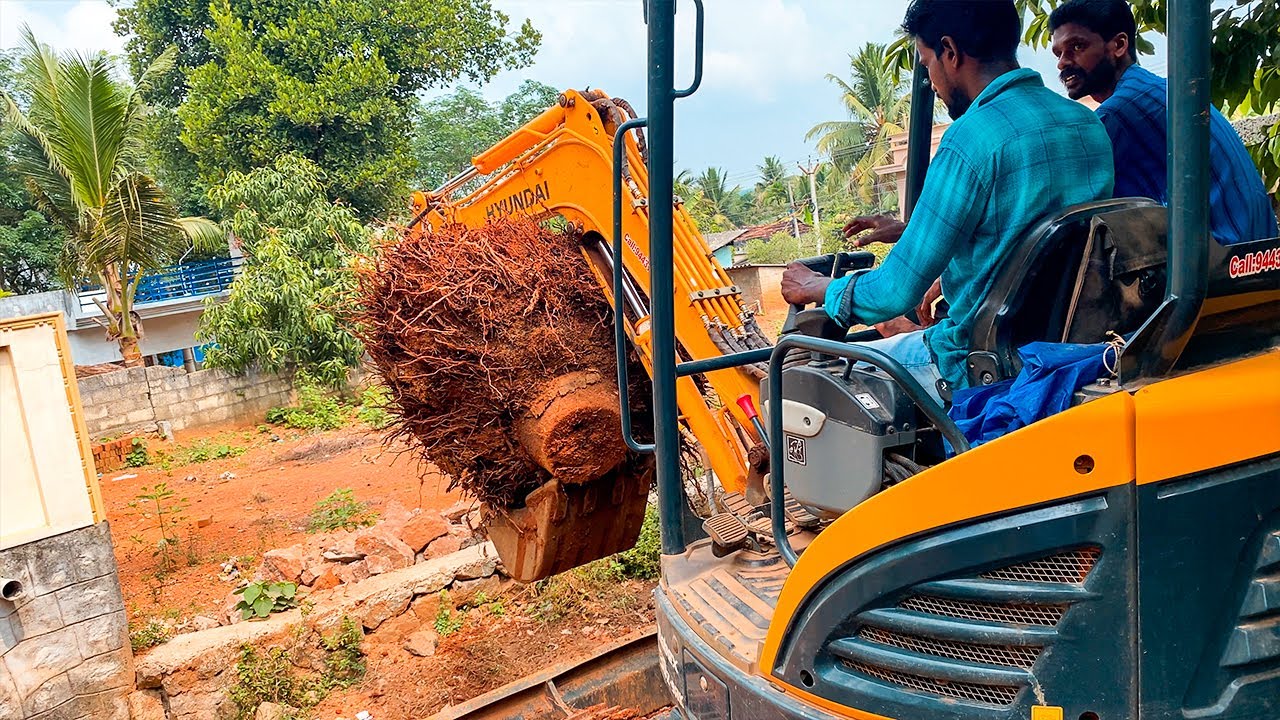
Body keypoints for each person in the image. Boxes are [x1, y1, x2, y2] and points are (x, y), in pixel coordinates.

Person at [781, 0, 1115, 401]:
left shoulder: (970, 141)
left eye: (926, 65)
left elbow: (893, 292)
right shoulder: (1087, 124)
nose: (933, 84)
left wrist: (818, 286)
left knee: (795, 386)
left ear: (950, 52)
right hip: (1068, 349)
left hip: (981, 360)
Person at [1049, 0, 1278, 244]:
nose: (1063, 62)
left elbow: (1064, 203)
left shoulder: (1120, 112)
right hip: (1253, 259)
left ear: (1118, 45)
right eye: (1059, 53)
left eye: (1077, 47)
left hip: (1217, 265)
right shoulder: (1162, 91)